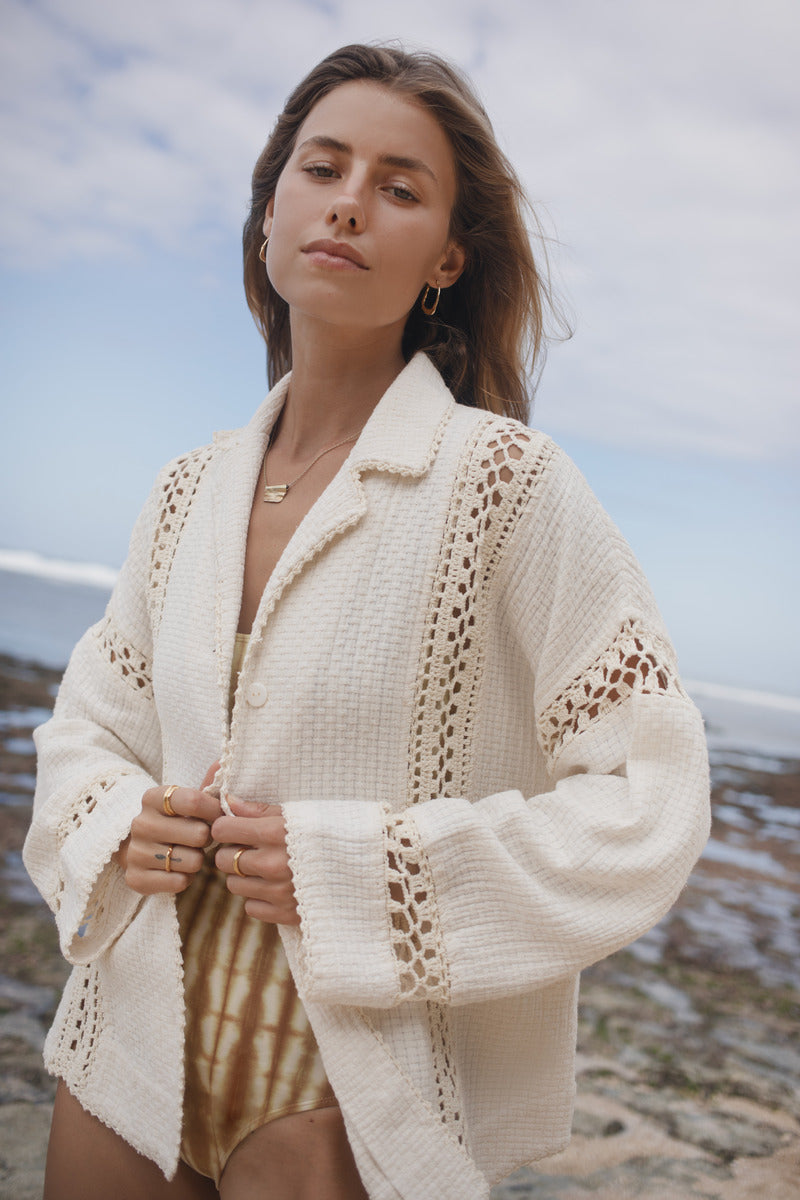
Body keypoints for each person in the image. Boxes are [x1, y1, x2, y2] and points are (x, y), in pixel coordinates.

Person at [23, 42, 710, 1200]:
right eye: (321, 166)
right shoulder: (185, 491)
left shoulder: (508, 488)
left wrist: (363, 871)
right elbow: (88, 726)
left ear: (446, 254)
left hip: (332, 1081)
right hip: (123, 1045)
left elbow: (651, 794)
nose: (348, 201)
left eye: (399, 186)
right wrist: (114, 821)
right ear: (268, 214)